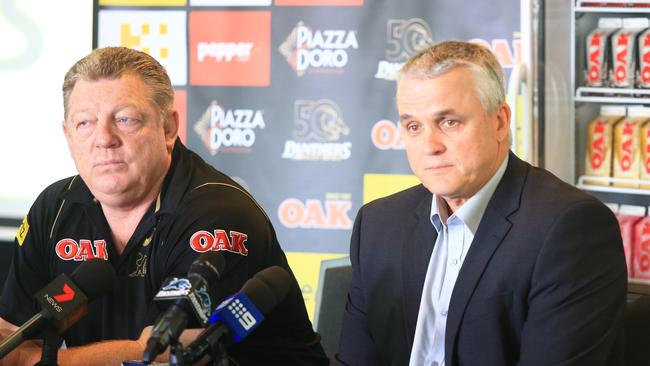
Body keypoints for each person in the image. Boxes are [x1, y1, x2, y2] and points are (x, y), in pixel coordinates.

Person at [0, 46, 328, 365]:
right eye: (84, 123)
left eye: (125, 119)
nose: (103, 139)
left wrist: (45, 362)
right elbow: (13, 334)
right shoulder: (54, 208)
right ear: (68, 135)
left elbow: (164, 354)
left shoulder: (217, 213)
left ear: (168, 128)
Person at [335, 41, 626, 366]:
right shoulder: (378, 224)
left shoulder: (570, 228)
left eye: (449, 122)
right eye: (414, 127)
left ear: (500, 121)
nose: (430, 145)